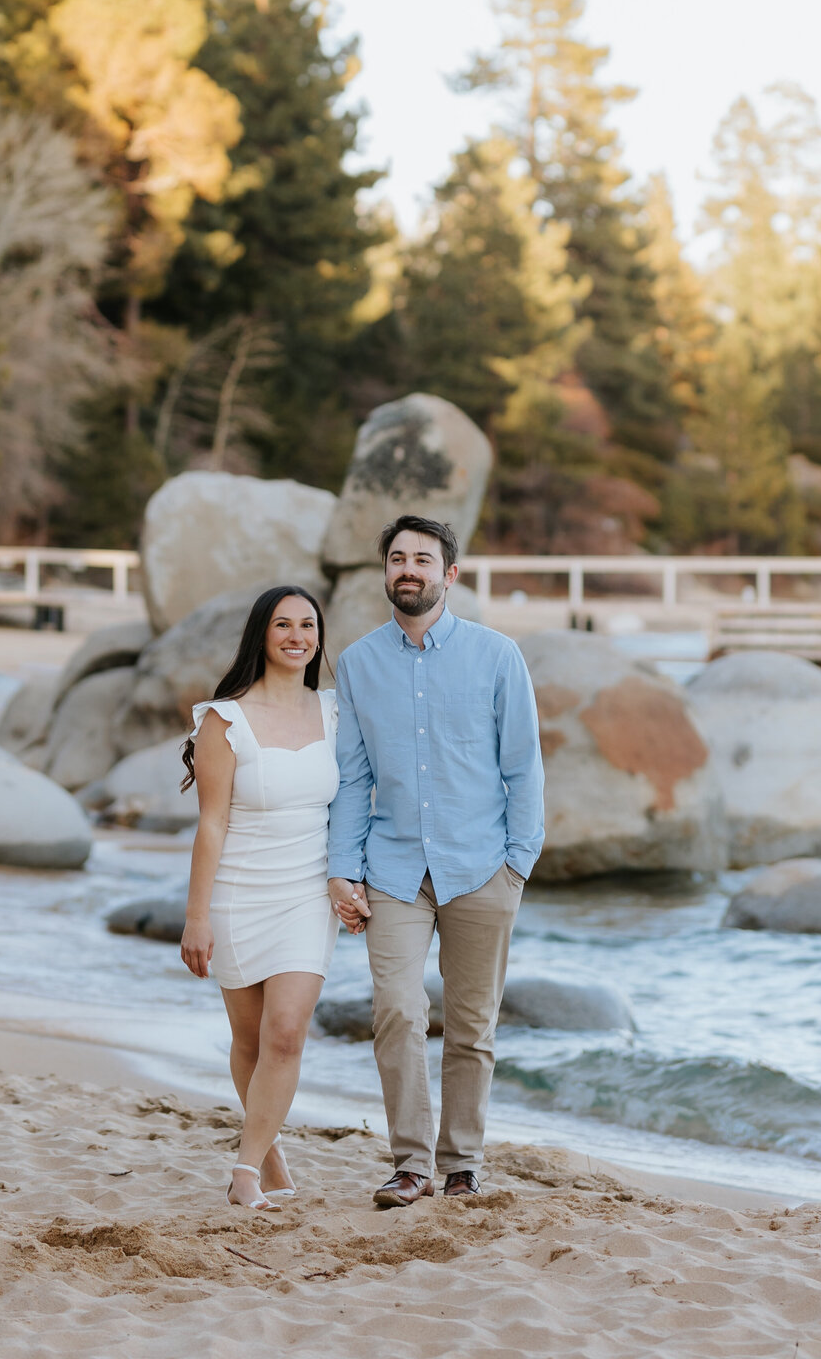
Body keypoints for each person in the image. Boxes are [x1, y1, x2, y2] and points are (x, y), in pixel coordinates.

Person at [327, 514, 544, 1207]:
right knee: (394, 1009)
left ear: (450, 574)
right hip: (391, 870)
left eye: (423, 558)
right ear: (384, 573)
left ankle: (462, 1164)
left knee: (472, 1028)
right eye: (397, 558)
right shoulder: (358, 663)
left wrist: (518, 864)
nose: (409, 569)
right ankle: (411, 1163)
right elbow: (354, 777)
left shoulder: (497, 656)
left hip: (482, 868)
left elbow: (525, 768)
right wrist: (342, 867)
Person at [180, 584, 338, 1211]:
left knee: (285, 1034)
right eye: (283, 625)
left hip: (307, 892)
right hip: (239, 892)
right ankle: (269, 1154)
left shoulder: (333, 713)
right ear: (261, 635)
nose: (297, 636)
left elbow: (353, 804)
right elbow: (211, 824)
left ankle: (243, 1170)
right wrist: (196, 916)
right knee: (248, 1041)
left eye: (308, 624)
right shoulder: (225, 720)